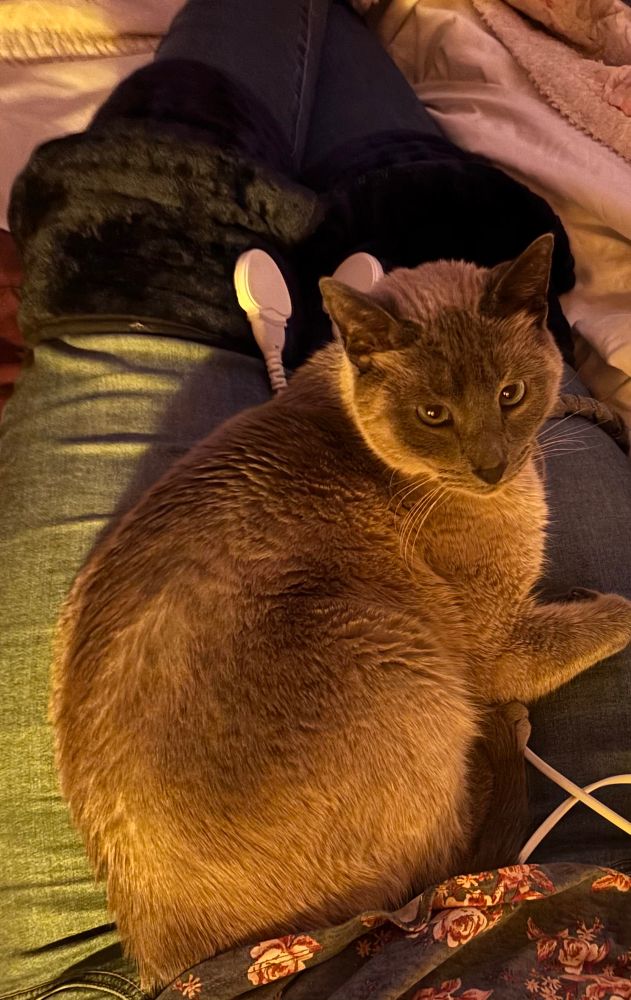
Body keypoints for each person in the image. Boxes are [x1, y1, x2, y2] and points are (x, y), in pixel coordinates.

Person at [1, 2, 630, 998]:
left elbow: (492, 652)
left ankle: (324, 336)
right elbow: (498, 653)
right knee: (445, 223)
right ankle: (350, 311)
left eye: (505, 410)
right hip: (571, 872)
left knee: (143, 217)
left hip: (165, 951)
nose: (491, 461)